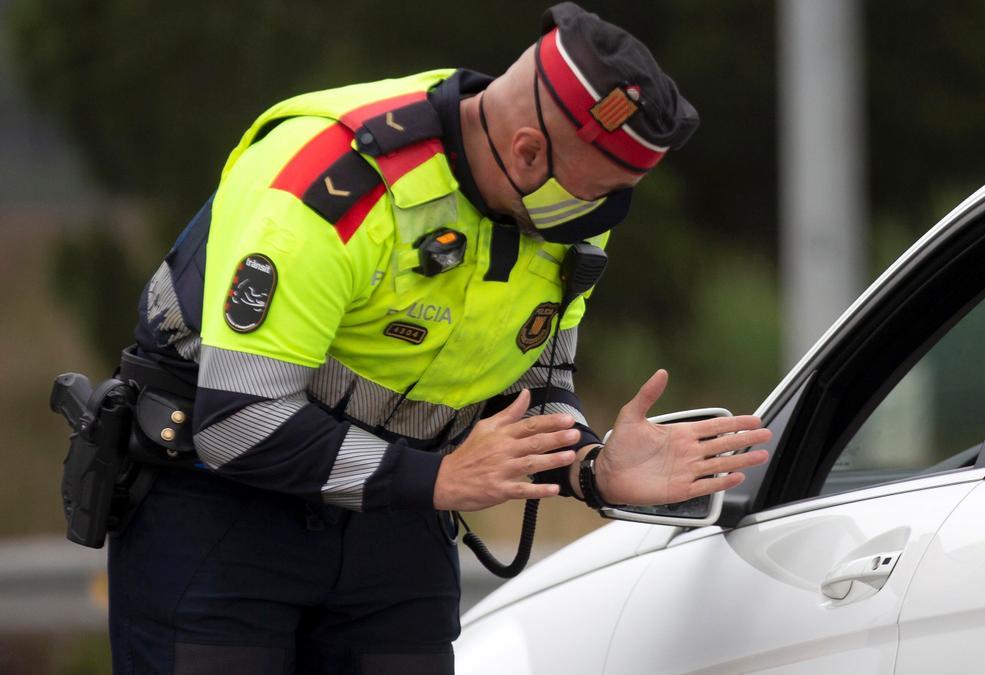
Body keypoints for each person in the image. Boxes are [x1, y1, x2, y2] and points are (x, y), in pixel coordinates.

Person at [110, 3, 771, 673]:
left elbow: (531, 388)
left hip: (399, 516)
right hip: (218, 508)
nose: (603, 218)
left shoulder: (568, 206)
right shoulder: (331, 185)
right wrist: (437, 476)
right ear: (527, 150)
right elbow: (236, 421)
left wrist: (591, 469)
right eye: (599, 195)